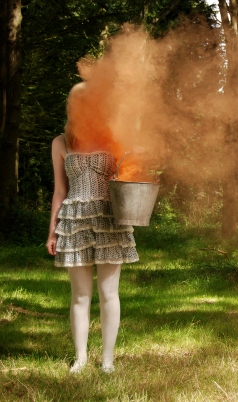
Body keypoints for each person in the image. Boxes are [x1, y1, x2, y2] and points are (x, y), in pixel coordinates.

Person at [46, 91, 139, 373]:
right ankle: (81, 358)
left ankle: (107, 360)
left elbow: (131, 177)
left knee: (109, 293)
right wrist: (52, 231)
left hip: (110, 218)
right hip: (74, 220)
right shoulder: (60, 143)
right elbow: (60, 190)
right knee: (80, 295)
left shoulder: (114, 137)